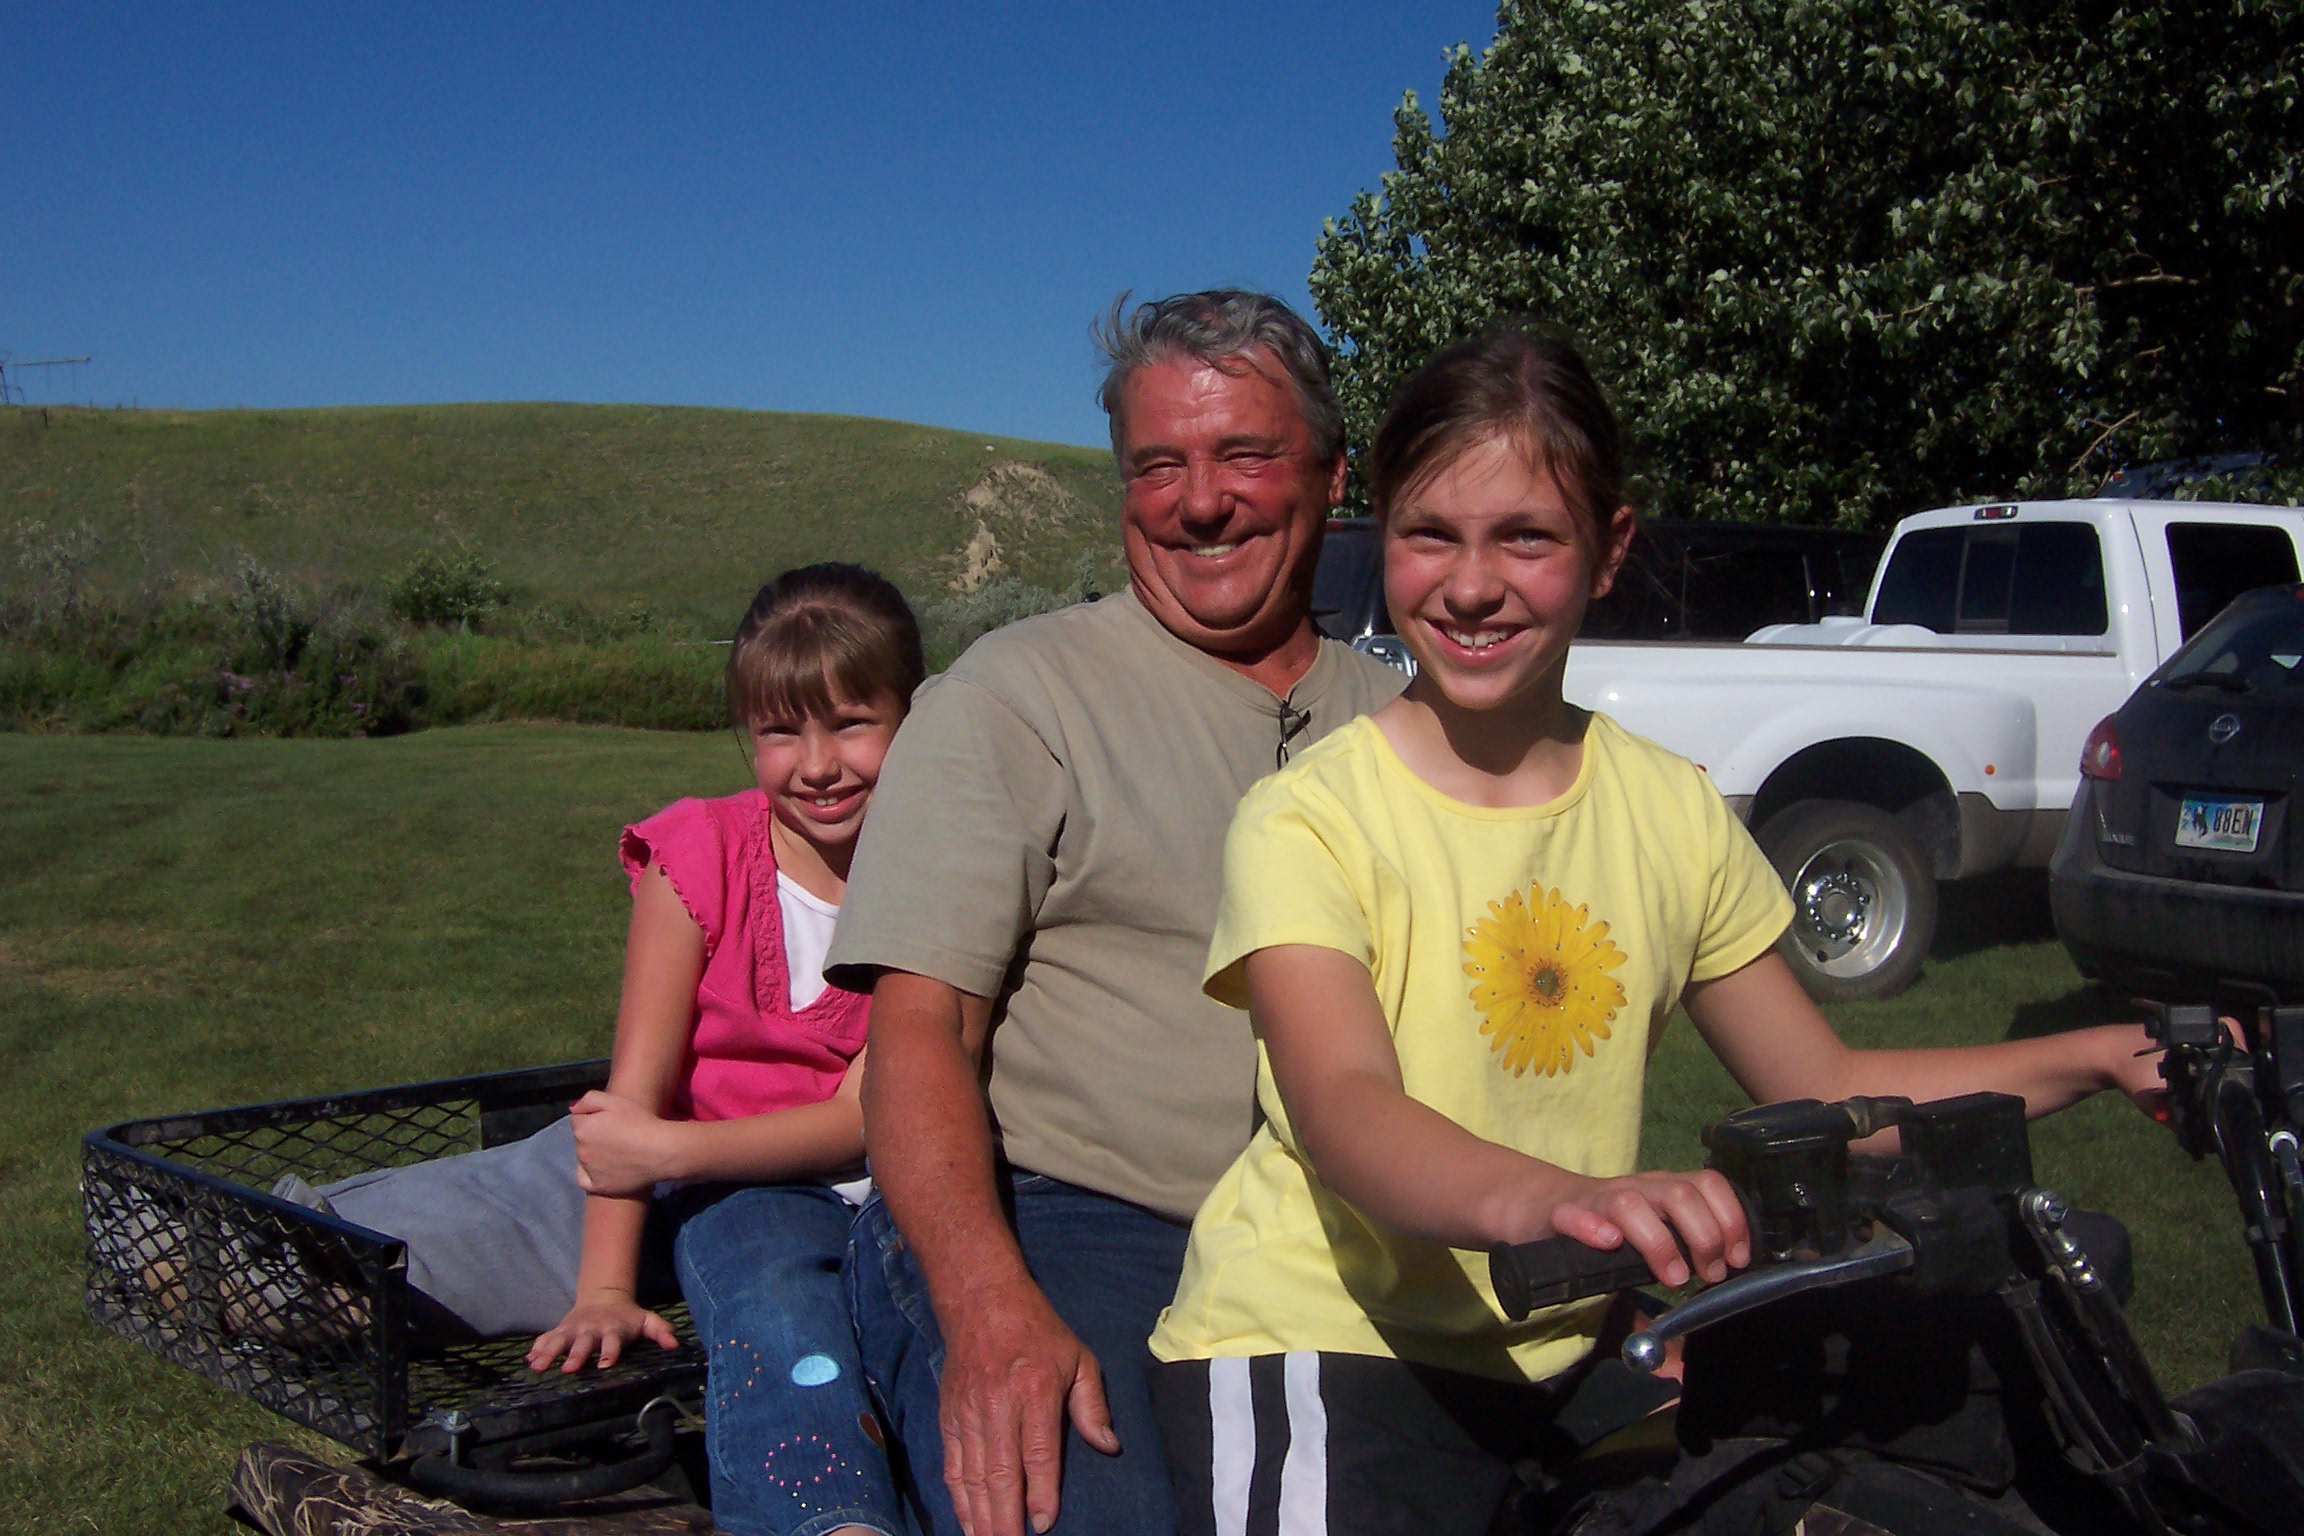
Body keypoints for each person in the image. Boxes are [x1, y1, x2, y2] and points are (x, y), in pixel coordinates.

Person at [1143, 326, 2170, 1536]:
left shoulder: (1668, 807)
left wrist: (2099, 1055)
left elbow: (1829, 1083)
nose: (1471, 585)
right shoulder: (1308, 818)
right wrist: (1566, 1202)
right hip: (1323, 1347)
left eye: (1527, 536)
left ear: (1610, 547)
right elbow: (1345, 1111)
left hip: (1567, 1350)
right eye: (1430, 535)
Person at [825, 291, 1406, 1536]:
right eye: (1158, 465)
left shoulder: (1408, 729)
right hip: (1062, 1219)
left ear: (1331, 473)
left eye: (1244, 454)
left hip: (1351, 1234)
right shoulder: (1018, 695)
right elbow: (920, 1030)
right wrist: (988, 1308)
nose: (1201, 501)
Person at [525, 562, 925, 1536]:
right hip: (744, 1192)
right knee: (781, 1314)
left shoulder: (937, 867)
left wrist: (669, 1151)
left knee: (945, 1332)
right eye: (780, 732)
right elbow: (630, 1103)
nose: (817, 765)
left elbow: (870, 1120)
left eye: (852, 723)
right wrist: (606, 1291)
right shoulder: (698, 859)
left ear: (915, 714)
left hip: (907, 1177)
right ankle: (834, 1524)